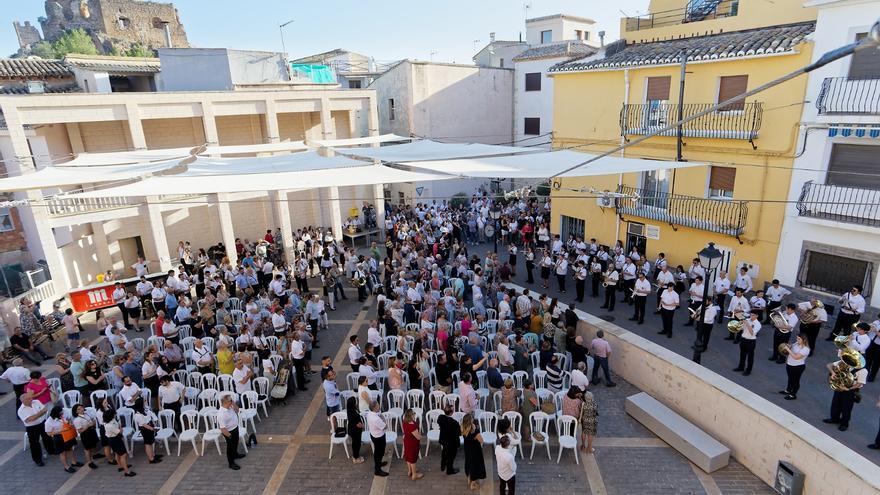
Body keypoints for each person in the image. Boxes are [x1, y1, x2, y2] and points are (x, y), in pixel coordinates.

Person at [823, 357, 868, 432]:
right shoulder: (844, 363)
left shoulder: (863, 370)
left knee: (846, 407)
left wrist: (848, 389)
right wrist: (833, 372)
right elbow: (829, 365)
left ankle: (844, 424)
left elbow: (860, 383)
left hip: (850, 390)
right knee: (835, 403)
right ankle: (834, 419)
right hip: (840, 385)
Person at [103, 409, 135, 476]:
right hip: (114, 439)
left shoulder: (112, 420)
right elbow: (120, 431)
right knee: (123, 455)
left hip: (115, 438)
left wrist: (120, 428)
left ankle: (120, 466)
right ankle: (127, 471)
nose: (115, 415)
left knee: (117, 453)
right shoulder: (109, 425)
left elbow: (119, 426)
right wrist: (121, 429)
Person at [132, 397, 162, 464]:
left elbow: (150, 414)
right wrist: (152, 428)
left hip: (150, 425)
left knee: (151, 442)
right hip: (146, 429)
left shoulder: (145, 409)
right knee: (148, 444)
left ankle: (153, 455)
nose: (146, 402)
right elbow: (143, 424)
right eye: (144, 401)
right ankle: (151, 459)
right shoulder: (137, 415)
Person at [219, 393, 245, 469]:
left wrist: (233, 403)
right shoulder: (222, 414)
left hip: (235, 428)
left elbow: (237, 410)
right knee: (230, 447)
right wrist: (229, 436)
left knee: (236, 443)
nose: (232, 401)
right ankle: (231, 463)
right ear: (225, 402)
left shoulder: (230, 407)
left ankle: (235, 454)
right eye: (230, 400)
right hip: (229, 432)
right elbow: (222, 428)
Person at [461, 412, 486, 491]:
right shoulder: (474, 431)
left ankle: (469, 478)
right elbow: (481, 441)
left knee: (468, 463)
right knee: (475, 465)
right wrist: (476, 429)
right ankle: (473, 484)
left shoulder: (462, 428)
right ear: (470, 421)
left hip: (467, 449)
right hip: (475, 451)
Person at [780, 334, 809, 400]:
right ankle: (788, 390)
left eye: (799, 339)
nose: (797, 340)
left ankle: (793, 395)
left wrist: (787, 349)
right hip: (789, 364)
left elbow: (796, 357)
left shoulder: (806, 349)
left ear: (804, 340)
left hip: (798, 367)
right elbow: (791, 347)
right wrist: (788, 346)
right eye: (797, 338)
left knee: (795, 381)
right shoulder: (796, 343)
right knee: (790, 379)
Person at [72, 403, 100, 469]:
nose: (81, 409)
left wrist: (93, 422)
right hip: (85, 434)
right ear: (76, 412)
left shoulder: (86, 414)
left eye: (81, 407)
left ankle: (94, 455)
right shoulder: (77, 420)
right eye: (79, 409)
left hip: (91, 431)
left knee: (93, 445)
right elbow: (80, 431)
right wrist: (88, 426)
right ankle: (89, 462)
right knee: (87, 448)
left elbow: (91, 420)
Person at [367, 401, 389, 476]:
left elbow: (379, 414)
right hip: (379, 437)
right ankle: (378, 470)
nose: (379, 406)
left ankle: (379, 463)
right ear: (374, 408)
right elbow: (385, 426)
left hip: (373, 435)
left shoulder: (370, 413)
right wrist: (383, 419)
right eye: (378, 405)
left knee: (378, 452)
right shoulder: (376, 419)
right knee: (379, 453)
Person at [438, 404, 460, 475]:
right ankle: (449, 470)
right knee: (451, 456)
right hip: (452, 443)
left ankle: (443, 465)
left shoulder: (440, 418)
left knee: (444, 453)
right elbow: (459, 433)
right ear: (451, 413)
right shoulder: (454, 423)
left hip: (444, 440)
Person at [402, 408, 424, 480]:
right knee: (413, 460)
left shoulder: (405, 422)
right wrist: (420, 435)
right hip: (413, 444)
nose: (414, 414)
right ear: (410, 416)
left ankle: (410, 471)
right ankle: (414, 475)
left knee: (408, 458)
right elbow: (418, 437)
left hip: (407, 442)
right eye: (413, 413)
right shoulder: (413, 426)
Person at [345, 396, 365, 464]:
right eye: (355, 402)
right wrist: (363, 426)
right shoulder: (353, 413)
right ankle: (356, 458)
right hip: (355, 431)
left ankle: (356, 456)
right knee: (356, 444)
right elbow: (358, 424)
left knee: (355, 443)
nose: (356, 403)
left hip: (352, 430)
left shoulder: (350, 410)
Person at [580, 386, 599, 453]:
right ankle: (589, 448)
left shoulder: (583, 404)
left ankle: (583, 446)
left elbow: (580, 412)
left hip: (584, 420)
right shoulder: (594, 405)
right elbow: (596, 413)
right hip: (591, 421)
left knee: (583, 432)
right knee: (590, 434)